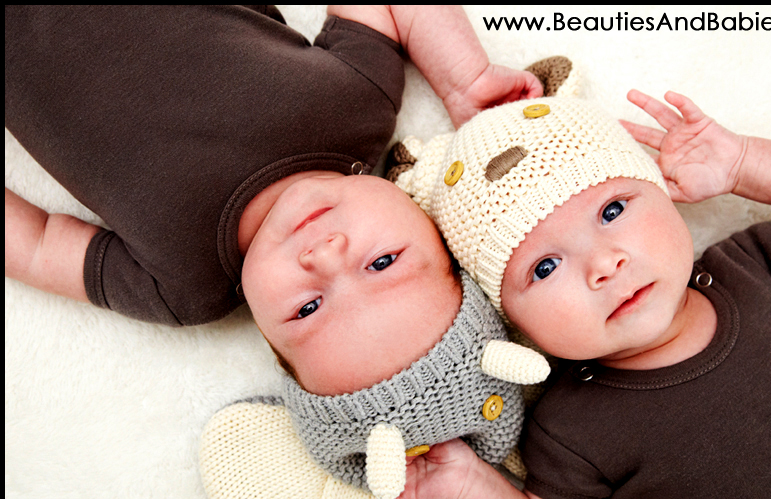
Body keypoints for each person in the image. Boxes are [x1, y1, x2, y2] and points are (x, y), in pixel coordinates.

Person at [386, 73, 771, 499]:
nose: (603, 264)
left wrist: (741, 163)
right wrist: (467, 483)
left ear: (660, 191)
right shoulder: (571, 424)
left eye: (612, 210)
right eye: (545, 268)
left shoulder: (748, 274)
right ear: (515, 322)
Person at [4, 5, 542, 395]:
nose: (326, 255)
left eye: (308, 308)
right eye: (382, 263)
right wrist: (463, 78)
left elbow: (36, 246)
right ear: (428, 220)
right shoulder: (357, 106)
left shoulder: (184, 288)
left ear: (265, 330)